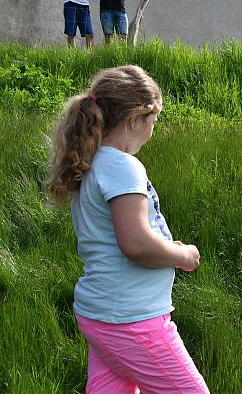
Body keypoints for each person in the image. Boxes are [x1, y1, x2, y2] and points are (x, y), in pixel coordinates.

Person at [44, 66, 209, 393]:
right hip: (132, 320)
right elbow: (134, 243)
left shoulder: (93, 164)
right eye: (154, 120)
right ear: (135, 119)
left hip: (101, 314)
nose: (153, 129)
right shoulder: (122, 166)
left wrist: (162, 247)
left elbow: (127, 236)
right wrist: (182, 254)